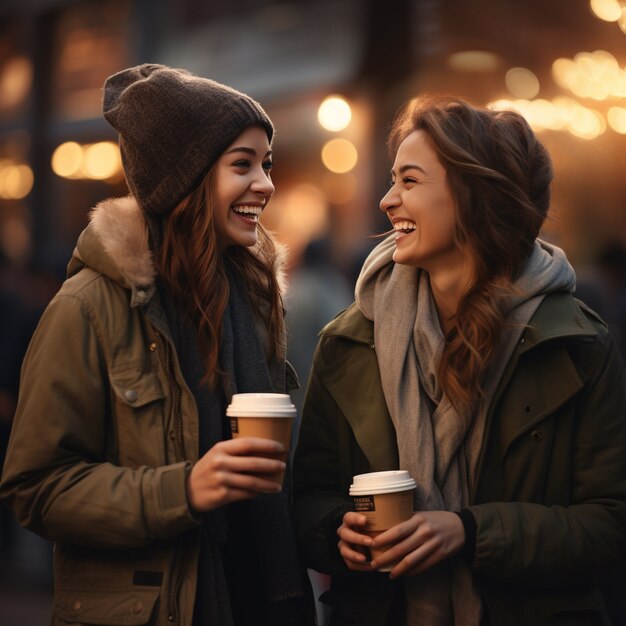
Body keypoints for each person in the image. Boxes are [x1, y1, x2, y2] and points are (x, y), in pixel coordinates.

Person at [292, 95, 626, 626]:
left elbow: (609, 526)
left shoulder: (577, 344)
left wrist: (470, 531)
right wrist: (338, 531)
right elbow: (308, 496)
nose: (386, 200)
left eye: (409, 181)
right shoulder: (350, 342)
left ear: (473, 198)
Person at [0, 64, 315, 626]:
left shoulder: (255, 301)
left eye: (266, 165)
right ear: (186, 178)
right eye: (241, 165)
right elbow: (35, 487)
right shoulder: (89, 306)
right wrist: (183, 490)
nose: (266, 183)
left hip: (257, 600)